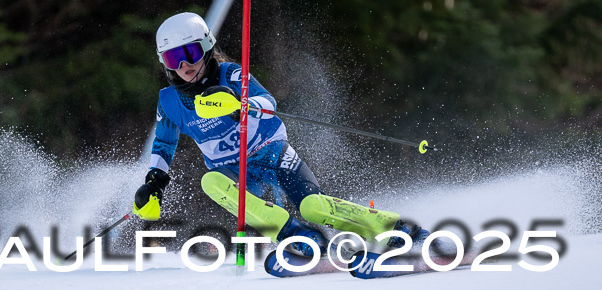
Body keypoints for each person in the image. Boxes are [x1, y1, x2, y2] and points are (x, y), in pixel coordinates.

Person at [133, 12, 425, 255]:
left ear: (207, 47)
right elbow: (164, 143)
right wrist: (155, 180)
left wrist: (242, 106)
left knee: (312, 206)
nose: (184, 66)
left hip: (269, 150)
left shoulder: (231, 75)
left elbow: (267, 101)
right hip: (232, 171)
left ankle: (393, 228)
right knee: (211, 181)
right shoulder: (169, 101)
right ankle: (293, 235)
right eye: (174, 59)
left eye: (190, 53)